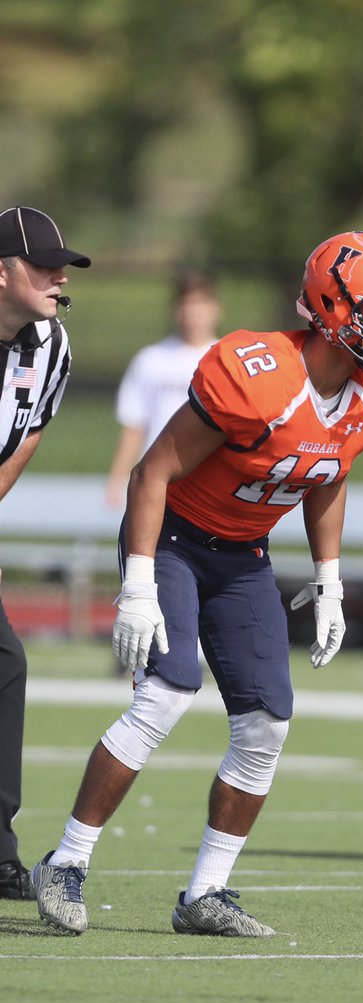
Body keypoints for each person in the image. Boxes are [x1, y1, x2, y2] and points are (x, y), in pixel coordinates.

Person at [31, 231, 363, 936]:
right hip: (175, 539)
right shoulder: (259, 374)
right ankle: (67, 860)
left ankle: (206, 894)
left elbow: (328, 475)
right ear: (333, 308)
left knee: (267, 721)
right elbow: (151, 473)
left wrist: (329, 578)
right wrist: (139, 582)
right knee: (165, 695)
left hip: (243, 555)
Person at [0, 206, 91, 903]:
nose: (59, 277)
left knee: (5, 665)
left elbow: (28, 432)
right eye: (43, 265)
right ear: (1, 273)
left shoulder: (50, 345)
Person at [105, 269, 222, 507]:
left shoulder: (227, 359)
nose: (193, 312)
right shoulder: (150, 359)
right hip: (156, 480)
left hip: (210, 483)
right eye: (187, 304)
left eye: (200, 304)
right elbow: (134, 426)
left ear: (215, 309)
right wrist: (116, 479)